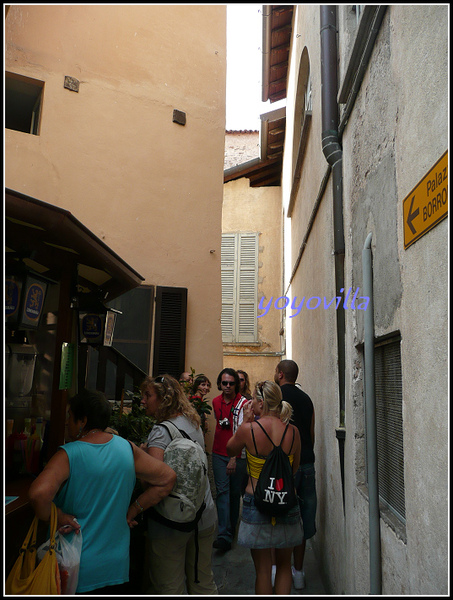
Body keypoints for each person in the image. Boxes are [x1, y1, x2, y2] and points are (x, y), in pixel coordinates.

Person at [28, 389, 176, 595]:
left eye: (70, 416)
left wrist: (59, 516)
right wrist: (134, 509)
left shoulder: (68, 454)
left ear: (83, 421)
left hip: (75, 568)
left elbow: (38, 495)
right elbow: (167, 478)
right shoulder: (126, 448)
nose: (66, 422)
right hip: (116, 565)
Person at [140, 374, 218, 595]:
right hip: (204, 513)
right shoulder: (192, 421)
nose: (143, 401)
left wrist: (142, 457)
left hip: (172, 522)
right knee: (203, 583)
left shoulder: (160, 432)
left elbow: (153, 481)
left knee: (169, 587)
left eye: (148, 395)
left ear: (163, 399)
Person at [226, 381, 303, 595]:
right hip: (286, 500)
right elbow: (293, 469)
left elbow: (230, 448)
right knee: (284, 565)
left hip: (255, 500)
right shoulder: (293, 431)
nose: (250, 403)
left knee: (262, 569)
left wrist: (247, 421)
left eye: (253, 399)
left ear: (260, 402)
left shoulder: (248, 429)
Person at [274, 359, 316, 590]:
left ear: (280, 374)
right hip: (306, 464)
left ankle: (275, 570)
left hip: (282, 466)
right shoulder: (307, 398)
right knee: (303, 519)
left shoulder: (274, 397)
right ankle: (298, 572)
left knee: (277, 516)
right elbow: (310, 433)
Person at [211, 368, 246, 551]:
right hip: (218, 453)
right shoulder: (215, 401)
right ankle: (224, 535)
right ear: (220, 383)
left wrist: (234, 457)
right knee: (223, 493)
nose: (227, 386)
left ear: (236, 385)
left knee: (233, 495)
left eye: (231, 383)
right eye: (224, 383)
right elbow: (219, 421)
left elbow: (241, 432)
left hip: (237, 456)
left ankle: (230, 530)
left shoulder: (242, 404)